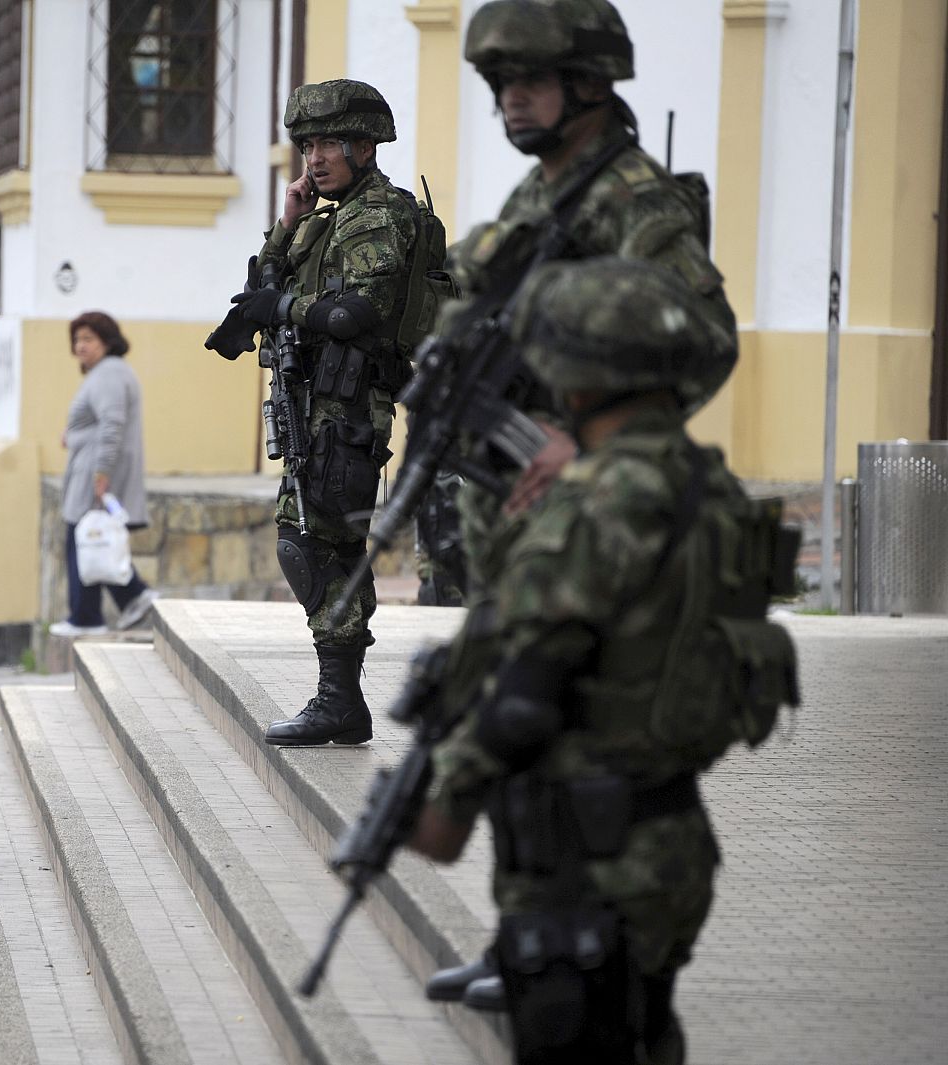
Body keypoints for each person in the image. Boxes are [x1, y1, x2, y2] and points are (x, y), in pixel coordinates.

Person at [421, 0, 741, 1011]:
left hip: (581, 520)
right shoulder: (539, 195)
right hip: (513, 517)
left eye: (530, 78)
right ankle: (523, 937)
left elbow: (708, 334)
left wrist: (588, 442)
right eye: (498, 81)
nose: (509, 95)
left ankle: (561, 945)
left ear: (591, 85)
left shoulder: (632, 202)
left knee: (561, 731)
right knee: (509, 725)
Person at [408, 257, 796, 1065]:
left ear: (579, 377)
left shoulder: (593, 505)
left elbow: (522, 690)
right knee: (647, 1031)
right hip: (674, 842)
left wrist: (442, 803)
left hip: (582, 857)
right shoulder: (712, 489)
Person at [207, 79, 447, 746]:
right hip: (318, 404)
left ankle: (340, 699)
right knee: (315, 540)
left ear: (363, 147)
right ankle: (338, 697)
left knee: (318, 543)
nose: (313, 159)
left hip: (347, 409)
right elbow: (263, 285)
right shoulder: (326, 219)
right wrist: (287, 223)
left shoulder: (379, 216)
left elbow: (355, 313)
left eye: (327, 145)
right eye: (307, 145)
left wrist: (282, 309)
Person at [50, 312, 158, 637]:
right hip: (90, 467)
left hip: (93, 472)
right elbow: (98, 424)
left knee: (83, 537)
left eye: (88, 339)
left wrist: (101, 473)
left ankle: (90, 615)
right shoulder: (107, 373)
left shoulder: (109, 373)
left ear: (107, 342)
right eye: (77, 339)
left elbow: (112, 424)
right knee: (94, 539)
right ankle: (128, 599)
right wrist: (74, 435)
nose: (80, 346)